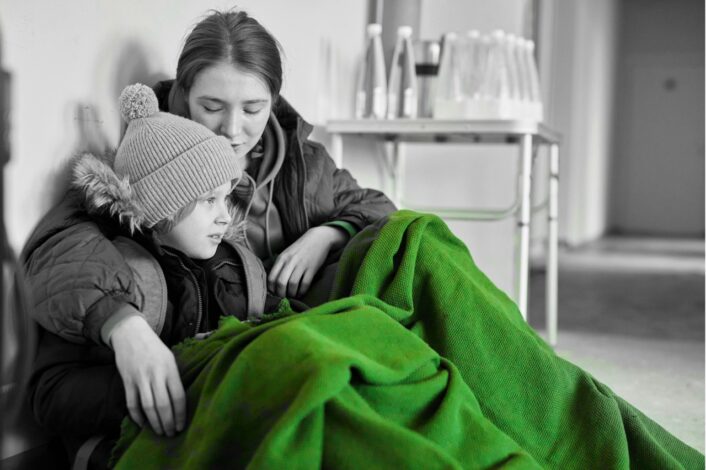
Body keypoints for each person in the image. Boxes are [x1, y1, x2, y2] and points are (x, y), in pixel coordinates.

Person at [21, 6, 395, 453]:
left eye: (253, 108)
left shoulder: (301, 164)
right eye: (212, 106)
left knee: (419, 240)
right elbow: (63, 244)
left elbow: (379, 211)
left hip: (278, 324)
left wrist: (329, 232)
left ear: (273, 102)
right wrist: (126, 326)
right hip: (217, 376)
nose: (233, 130)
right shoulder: (149, 172)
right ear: (183, 96)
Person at [28, 83, 295, 465]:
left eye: (225, 198)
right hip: (128, 444)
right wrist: (173, 378)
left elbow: (281, 319)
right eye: (207, 200)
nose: (225, 214)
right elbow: (51, 395)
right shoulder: (117, 277)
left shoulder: (233, 267)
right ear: (161, 207)